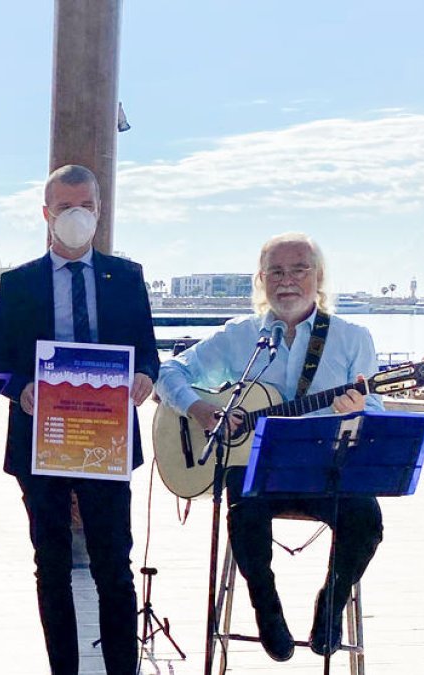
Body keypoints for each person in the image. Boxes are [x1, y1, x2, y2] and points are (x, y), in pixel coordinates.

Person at [156, 232, 383, 660]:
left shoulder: (353, 338)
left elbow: (373, 407)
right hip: (257, 471)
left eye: (300, 269)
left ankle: (331, 602)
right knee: (243, 509)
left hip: (326, 469)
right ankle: (266, 606)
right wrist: (202, 410)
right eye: (276, 271)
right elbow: (170, 371)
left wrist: (356, 411)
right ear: (261, 280)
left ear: (319, 277)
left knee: (366, 518)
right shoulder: (242, 336)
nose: (288, 280)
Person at [0, 164, 158, 675]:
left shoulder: (127, 277)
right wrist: (23, 391)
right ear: (46, 213)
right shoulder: (18, 283)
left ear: (99, 213)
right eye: (65, 207)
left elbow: (147, 351)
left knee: (114, 567)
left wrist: (145, 377)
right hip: (42, 441)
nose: (75, 216)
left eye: (85, 206)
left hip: (108, 442)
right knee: (52, 566)